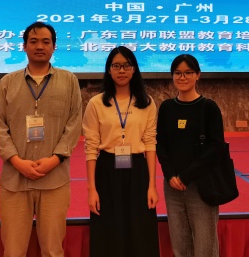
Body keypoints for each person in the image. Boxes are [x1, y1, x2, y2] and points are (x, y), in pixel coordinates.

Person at [0, 22, 82, 257]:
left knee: (52, 250)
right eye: (33, 41)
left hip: (55, 180)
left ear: (54, 47)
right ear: (24, 46)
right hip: (15, 180)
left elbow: (74, 125)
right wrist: (16, 161)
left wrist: (55, 159)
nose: (39, 46)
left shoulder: (69, 80)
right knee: (13, 251)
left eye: (45, 42)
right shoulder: (7, 83)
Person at [82, 46, 160, 257]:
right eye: (116, 66)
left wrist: (152, 186)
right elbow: (91, 148)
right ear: (109, 70)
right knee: (109, 232)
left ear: (134, 69)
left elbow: (150, 143)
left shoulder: (147, 102)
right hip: (107, 170)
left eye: (126, 65)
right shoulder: (96, 103)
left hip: (138, 171)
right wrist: (92, 189)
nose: (122, 70)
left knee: (140, 232)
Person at [156, 54, 226, 257]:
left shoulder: (208, 107)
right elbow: (161, 144)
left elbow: (216, 148)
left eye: (188, 72)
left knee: (205, 247)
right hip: (173, 187)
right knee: (180, 246)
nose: (182, 77)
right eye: (178, 73)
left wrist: (186, 176)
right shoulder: (167, 108)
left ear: (198, 75)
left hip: (201, 185)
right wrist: (170, 175)